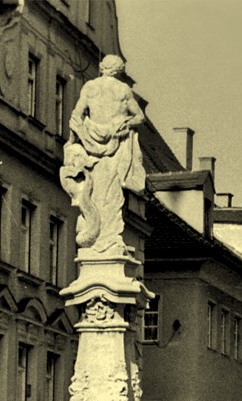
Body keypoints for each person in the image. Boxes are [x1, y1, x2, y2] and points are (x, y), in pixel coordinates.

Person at [59, 55, 146, 255]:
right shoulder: (123, 90)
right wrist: (123, 125)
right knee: (112, 194)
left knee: (94, 191)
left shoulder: (90, 88)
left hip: (91, 148)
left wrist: (75, 139)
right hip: (115, 147)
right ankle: (108, 240)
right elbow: (140, 117)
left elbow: (76, 115)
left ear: (101, 68)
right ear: (120, 71)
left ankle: (97, 239)